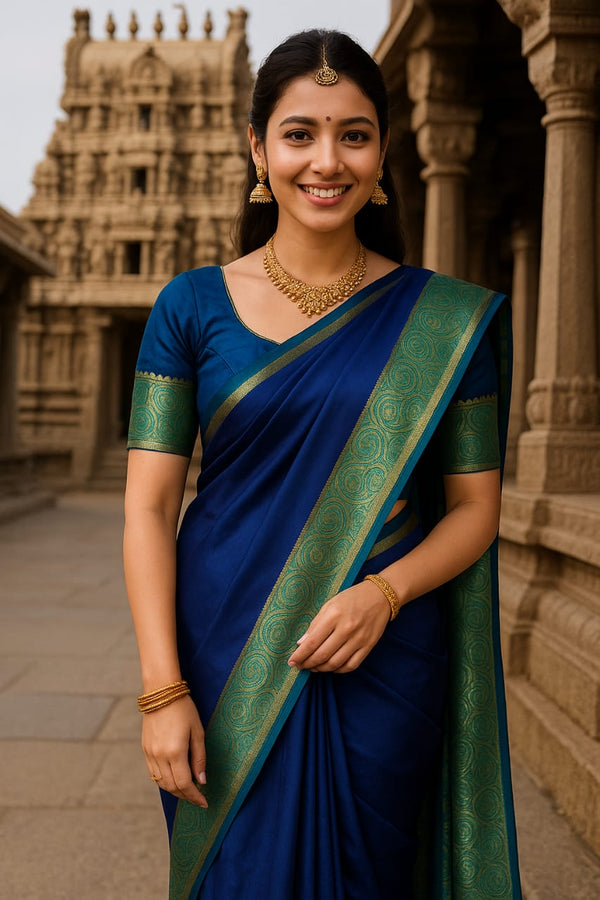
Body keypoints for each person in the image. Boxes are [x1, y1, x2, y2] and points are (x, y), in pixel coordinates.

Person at [123, 29, 521, 900]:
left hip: (381, 654)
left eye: (355, 133)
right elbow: (149, 508)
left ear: (383, 154)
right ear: (258, 148)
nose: (326, 161)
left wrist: (384, 594)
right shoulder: (190, 307)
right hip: (222, 650)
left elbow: (474, 511)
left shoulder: (444, 324)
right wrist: (161, 691)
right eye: (300, 133)